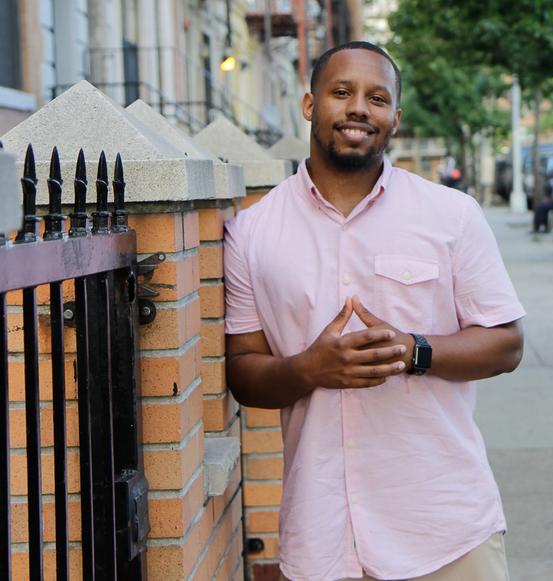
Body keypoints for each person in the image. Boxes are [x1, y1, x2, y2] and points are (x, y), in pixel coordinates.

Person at [224, 41, 526, 581]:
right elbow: (243, 372)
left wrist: (415, 350)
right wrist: (307, 370)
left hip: (445, 531)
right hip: (321, 538)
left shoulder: (450, 214)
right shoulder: (252, 231)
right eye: (342, 92)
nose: (359, 107)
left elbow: (506, 343)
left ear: (395, 119)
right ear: (310, 104)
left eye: (377, 98)